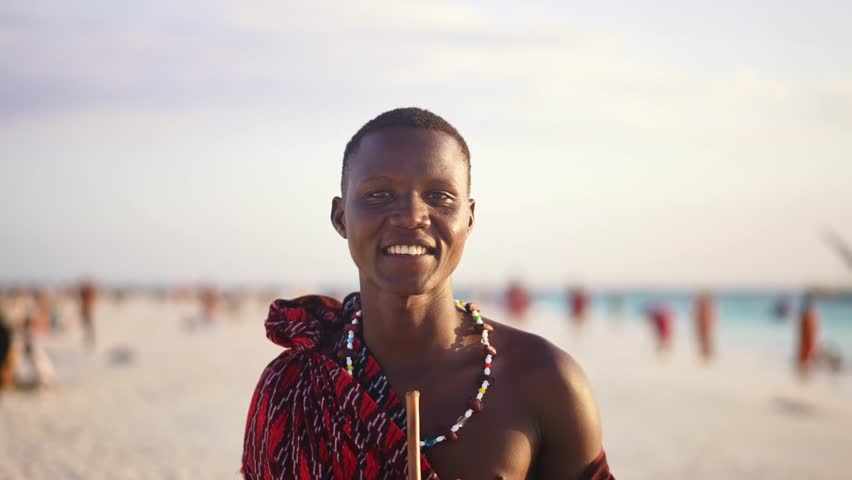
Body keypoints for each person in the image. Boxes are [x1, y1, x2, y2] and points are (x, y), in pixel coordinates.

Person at [241, 108, 614, 479]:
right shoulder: (292, 388)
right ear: (341, 217)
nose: (411, 215)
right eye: (379, 194)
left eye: (438, 195)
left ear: (468, 218)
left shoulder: (546, 381)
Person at [797, 294, 820, 379]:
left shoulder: (808, 315)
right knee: (807, 349)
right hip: (807, 334)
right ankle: (805, 372)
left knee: (806, 349)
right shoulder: (809, 315)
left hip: (807, 335)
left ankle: (804, 372)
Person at [693, 292, 716, 361]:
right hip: (704, 325)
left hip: (704, 325)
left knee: (704, 337)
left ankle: (706, 353)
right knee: (704, 337)